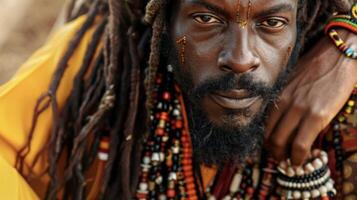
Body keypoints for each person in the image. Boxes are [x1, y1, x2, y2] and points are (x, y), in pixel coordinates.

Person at [0, 0, 356, 199]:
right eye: (205, 18)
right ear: (165, 20)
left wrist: (349, 46)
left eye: (273, 23)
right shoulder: (102, 60)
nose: (241, 57)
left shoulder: (341, 101)